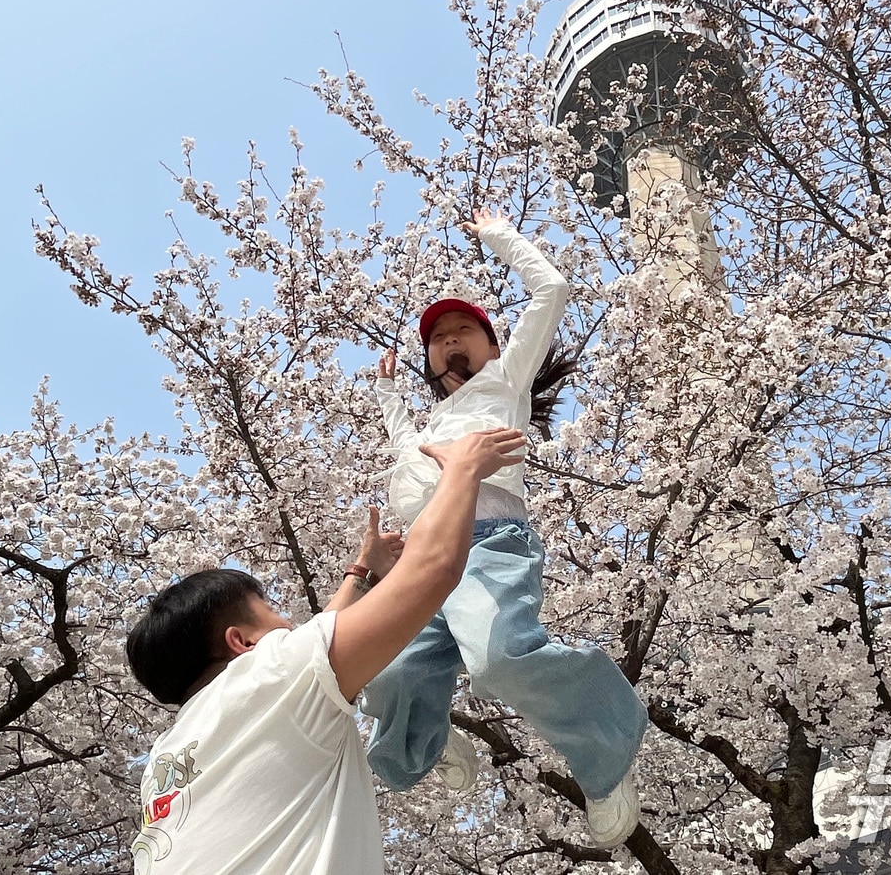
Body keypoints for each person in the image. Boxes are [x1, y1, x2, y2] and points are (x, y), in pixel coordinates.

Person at [365, 209, 648, 849]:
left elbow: (550, 289)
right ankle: (426, 740)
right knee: (382, 672)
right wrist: (386, 396)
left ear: (493, 347)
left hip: (486, 546)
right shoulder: (431, 424)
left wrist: (497, 235)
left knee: (499, 660)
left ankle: (605, 757)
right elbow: (401, 445)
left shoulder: (504, 381)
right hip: (418, 559)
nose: (449, 341)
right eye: (438, 340)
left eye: (464, 331)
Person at [126, 427, 527, 875]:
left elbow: (315, 645)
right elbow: (432, 569)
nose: (287, 624)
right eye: (273, 613)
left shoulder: (168, 754)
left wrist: (362, 572)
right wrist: (463, 469)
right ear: (242, 642)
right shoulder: (268, 678)